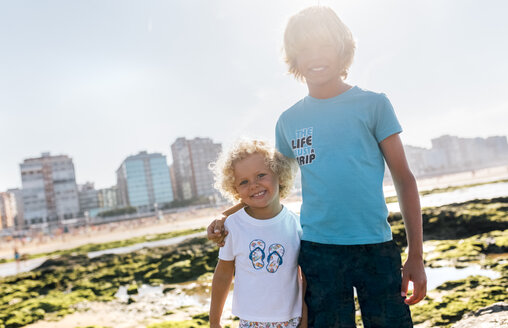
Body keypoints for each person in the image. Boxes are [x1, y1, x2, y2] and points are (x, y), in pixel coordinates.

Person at [208, 6, 427, 327]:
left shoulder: (374, 105)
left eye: (324, 45)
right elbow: (267, 188)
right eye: (305, 49)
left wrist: (416, 256)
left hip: (376, 247)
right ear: (294, 58)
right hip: (319, 252)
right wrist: (224, 216)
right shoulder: (288, 121)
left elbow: (404, 180)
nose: (315, 56)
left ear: (342, 49)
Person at [209, 139, 306, 328]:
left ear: (279, 174)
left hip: (292, 320)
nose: (253, 185)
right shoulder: (232, 226)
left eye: (261, 175)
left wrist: (305, 320)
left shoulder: (296, 225)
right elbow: (222, 275)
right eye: (243, 182)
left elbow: (304, 277)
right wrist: (214, 322)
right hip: (250, 322)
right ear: (234, 189)